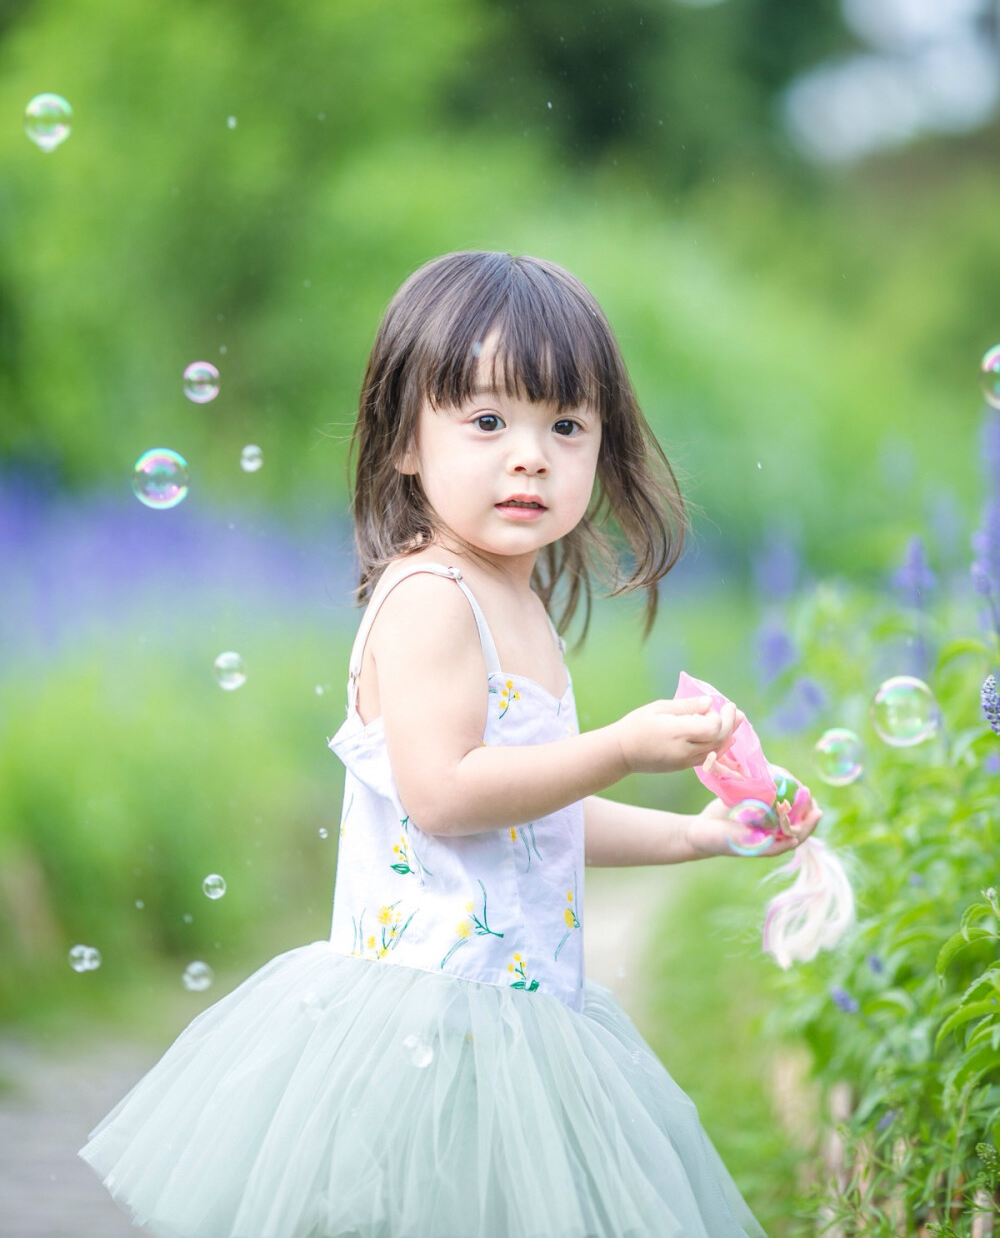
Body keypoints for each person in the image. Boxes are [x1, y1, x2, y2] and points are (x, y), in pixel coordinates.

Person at [79, 250, 820, 1237]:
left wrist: (698, 834)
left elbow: (531, 813)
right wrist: (618, 744)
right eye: (485, 422)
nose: (530, 456)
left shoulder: (516, 602)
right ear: (403, 444)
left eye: (566, 425)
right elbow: (446, 793)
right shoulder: (432, 597)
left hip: (521, 1024)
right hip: (424, 1030)